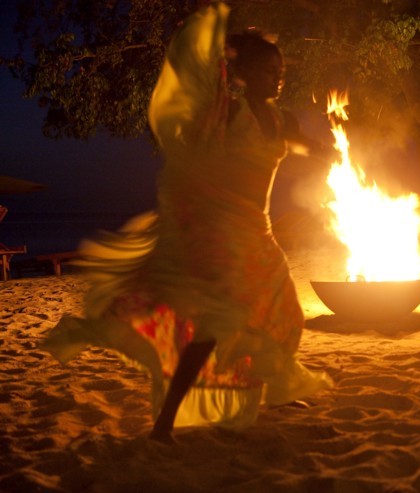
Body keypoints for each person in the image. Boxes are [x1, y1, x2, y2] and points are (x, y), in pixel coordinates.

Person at [41, 3, 333, 444]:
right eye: (269, 68)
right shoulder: (227, 114)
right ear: (246, 73)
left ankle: (277, 390)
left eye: (281, 68)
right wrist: (209, 44)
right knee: (218, 324)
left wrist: (328, 150)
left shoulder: (281, 118)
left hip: (259, 232)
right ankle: (165, 422)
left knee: (284, 312)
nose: (279, 75)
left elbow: (303, 145)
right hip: (222, 233)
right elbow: (196, 129)